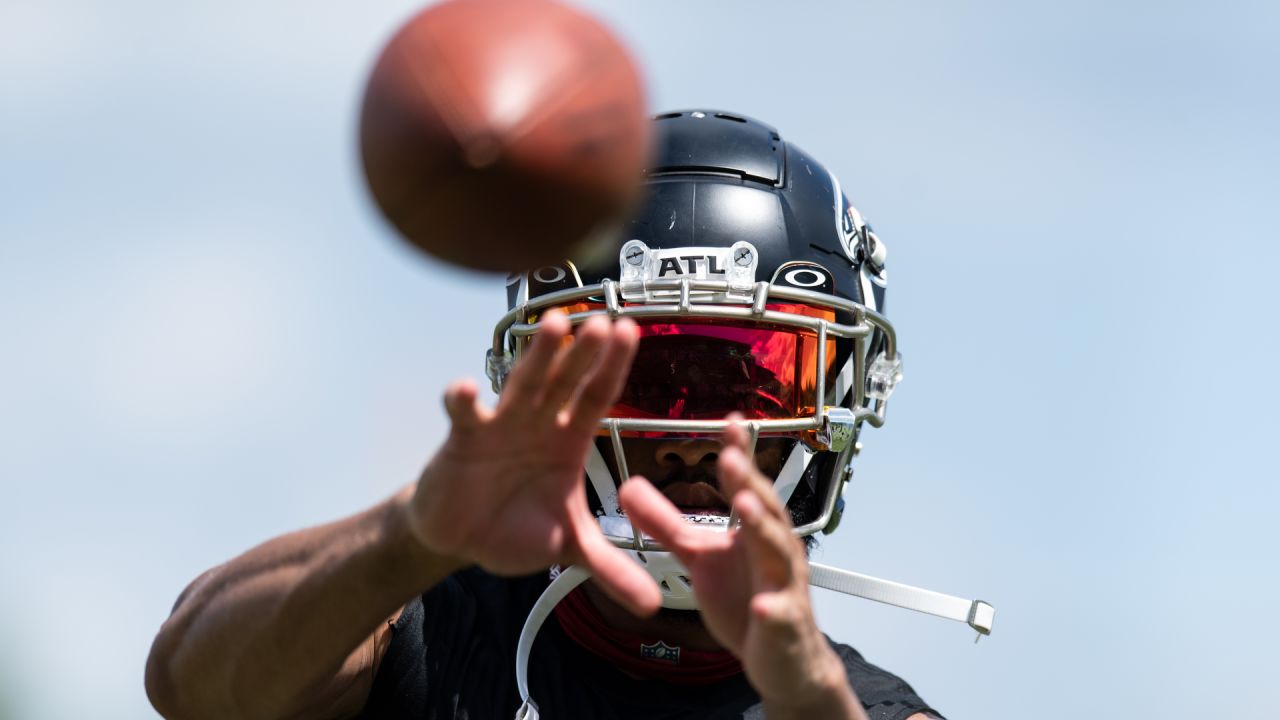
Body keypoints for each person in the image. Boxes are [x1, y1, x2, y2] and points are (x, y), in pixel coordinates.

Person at [144, 110, 938, 720]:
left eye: (756, 376)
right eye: (640, 374)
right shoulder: (431, 631)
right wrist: (410, 535)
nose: (692, 439)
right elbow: (189, 684)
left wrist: (809, 700)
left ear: (840, 393)